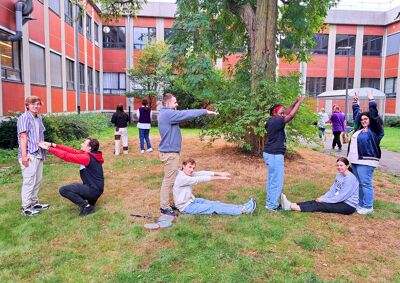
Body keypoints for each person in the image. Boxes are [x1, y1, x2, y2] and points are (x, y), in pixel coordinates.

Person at [158, 93, 218, 216]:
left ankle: (174, 203)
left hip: (171, 153)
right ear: (168, 103)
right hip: (170, 154)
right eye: (175, 102)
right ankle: (164, 207)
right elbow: (186, 114)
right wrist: (205, 111)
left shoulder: (166, 114)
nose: (177, 104)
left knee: (174, 180)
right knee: (168, 181)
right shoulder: (167, 114)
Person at [38, 138, 104, 217]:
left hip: (93, 190)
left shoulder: (87, 157)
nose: (81, 144)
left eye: (84, 143)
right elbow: (71, 151)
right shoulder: (90, 154)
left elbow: (66, 155)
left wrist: (48, 148)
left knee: (64, 190)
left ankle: (87, 207)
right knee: (77, 188)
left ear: (89, 148)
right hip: (96, 190)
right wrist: (52, 145)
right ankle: (90, 203)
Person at [263, 96, 306, 211]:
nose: (284, 113)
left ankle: (270, 203)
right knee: (277, 180)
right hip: (274, 154)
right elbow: (290, 115)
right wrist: (300, 103)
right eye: (281, 112)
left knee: (272, 179)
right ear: (275, 112)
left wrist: (295, 101)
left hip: (271, 153)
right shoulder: (276, 120)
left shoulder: (273, 120)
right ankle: (271, 205)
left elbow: (287, 112)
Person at [173, 159, 256, 215]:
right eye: (189, 167)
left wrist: (219, 173)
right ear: (183, 166)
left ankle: (242, 206)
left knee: (215, 203)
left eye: (193, 168)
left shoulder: (185, 173)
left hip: (191, 200)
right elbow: (199, 179)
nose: (191, 170)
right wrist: (219, 178)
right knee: (214, 207)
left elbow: (201, 173)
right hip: (186, 207)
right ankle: (243, 211)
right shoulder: (182, 178)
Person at [347, 90, 384, 215]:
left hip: (367, 160)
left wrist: (371, 100)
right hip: (356, 160)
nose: (363, 120)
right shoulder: (359, 129)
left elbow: (373, 116)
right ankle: (360, 203)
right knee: (358, 183)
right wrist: (355, 102)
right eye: (362, 119)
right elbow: (356, 115)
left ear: (371, 120)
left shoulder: (375, 130)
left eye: (366, 119)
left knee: (365, 183)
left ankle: (368, 206)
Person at [280, 157, 359, 215]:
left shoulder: (350, 179)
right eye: (337, 165)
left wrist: (325, 200)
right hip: (340, 200)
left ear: (347, 166)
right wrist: (323, 197)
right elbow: (333, 190)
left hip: (348, 205)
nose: (339, 167)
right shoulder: (339, 175)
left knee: (321, 205)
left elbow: (342, 196)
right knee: (316, 201)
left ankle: (293, 207)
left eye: (341, 165)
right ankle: (292, 204)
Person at [17, 96, 50, 216]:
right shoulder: (24, 118)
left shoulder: (38, 117)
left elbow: (39, 136)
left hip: (39, 153)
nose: (36, 106)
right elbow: (23, 137)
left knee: (37, 179)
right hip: (29, 154)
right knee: (29, 181)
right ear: (27, 105)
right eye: (33, 104)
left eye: (38, 104)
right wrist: (24, 156)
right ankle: (25, 208)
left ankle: (34, 202)